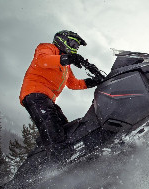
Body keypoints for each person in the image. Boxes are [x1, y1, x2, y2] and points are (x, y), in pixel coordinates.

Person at [19, 30, 98, 160]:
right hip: (34, 94)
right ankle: (57, 162)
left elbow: (72, 83)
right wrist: (68, 58)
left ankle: (45, 155)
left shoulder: (65, 66)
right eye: (73, 44)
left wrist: (93, 82)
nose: (75, 49)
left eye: (76, 47)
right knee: (51, 127)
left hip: (47, 99)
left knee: (65, 128)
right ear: (62, 40)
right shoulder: (46, 48)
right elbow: (43, 60)